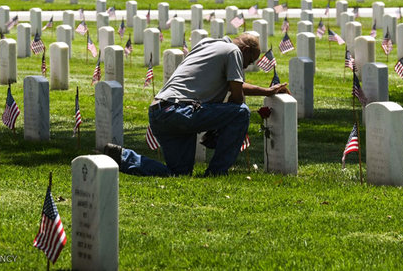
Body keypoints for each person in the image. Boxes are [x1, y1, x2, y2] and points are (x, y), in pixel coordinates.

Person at [103, 33, 290, 176]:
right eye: (249, 61)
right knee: (241, 112)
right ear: (246, 50)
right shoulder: (234, 52)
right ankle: (217, 172)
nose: (247, 67)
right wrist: (216, 127)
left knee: (178, 173)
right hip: (180, 111)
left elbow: (235, 85)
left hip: (160, 112)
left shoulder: (207, 44)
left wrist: (267, 91)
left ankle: (121, 157)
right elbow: (237, 98)